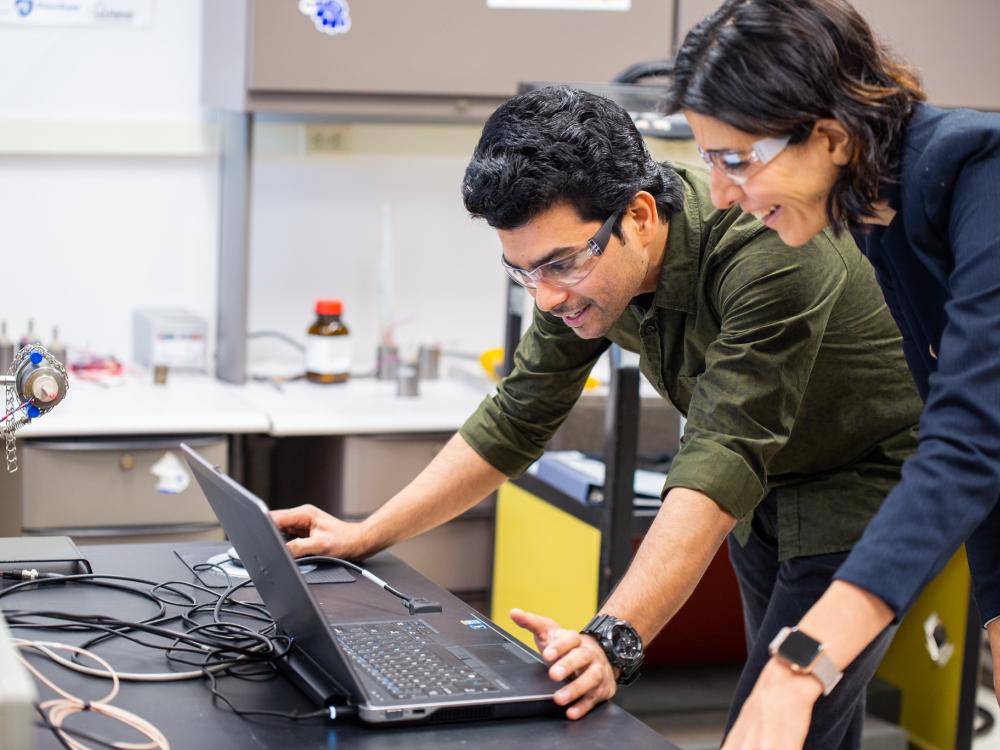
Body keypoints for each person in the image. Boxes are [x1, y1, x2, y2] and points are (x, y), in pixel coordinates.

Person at [271, 85, 922, 743]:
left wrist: (613, 639)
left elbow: (724, 451)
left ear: (639, 215)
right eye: (524, 272)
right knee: (816, 725)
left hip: (865, 483)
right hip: (768, 487)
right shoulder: (584, 272)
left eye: (560, 264)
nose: (547, 297)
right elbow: (518, 414)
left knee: (781, 717)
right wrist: (366, 534)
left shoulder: (768, 250)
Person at [666, 0, 1000, 747]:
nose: (721, 194)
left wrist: (800, 667)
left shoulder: (980, 177)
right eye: (708, 161)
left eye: (735, 160)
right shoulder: (883, 220)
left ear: (830, 136)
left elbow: (968, 445)